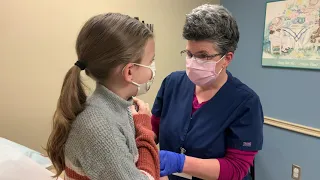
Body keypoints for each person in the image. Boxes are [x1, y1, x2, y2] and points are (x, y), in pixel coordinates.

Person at [151, 4, 264, 180]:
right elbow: (154, 129)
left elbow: (236, 168)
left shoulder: (245, 102)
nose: (193, 62)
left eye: (203, 56)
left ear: (227, 58)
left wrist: (181, 163)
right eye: (189, 54)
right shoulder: (172, 83)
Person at [46, 13, 160, 180]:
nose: (152, 68)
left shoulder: (120, 107)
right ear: (129, 71)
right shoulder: (99, 126)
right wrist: (144, 128)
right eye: (150, 61)